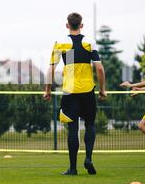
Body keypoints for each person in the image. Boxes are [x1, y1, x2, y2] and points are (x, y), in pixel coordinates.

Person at [44, 12, 107, 175]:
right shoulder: (89, 42)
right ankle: (88, 158)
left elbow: (51, 69)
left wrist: (48, 91)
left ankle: (73, 168)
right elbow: (99, 68)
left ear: (67, 25)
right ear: (81, 25)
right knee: (90, 125)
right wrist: (102, 90)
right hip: (87, 90)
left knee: (73, 129)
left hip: (70, 91)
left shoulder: (61, 43)